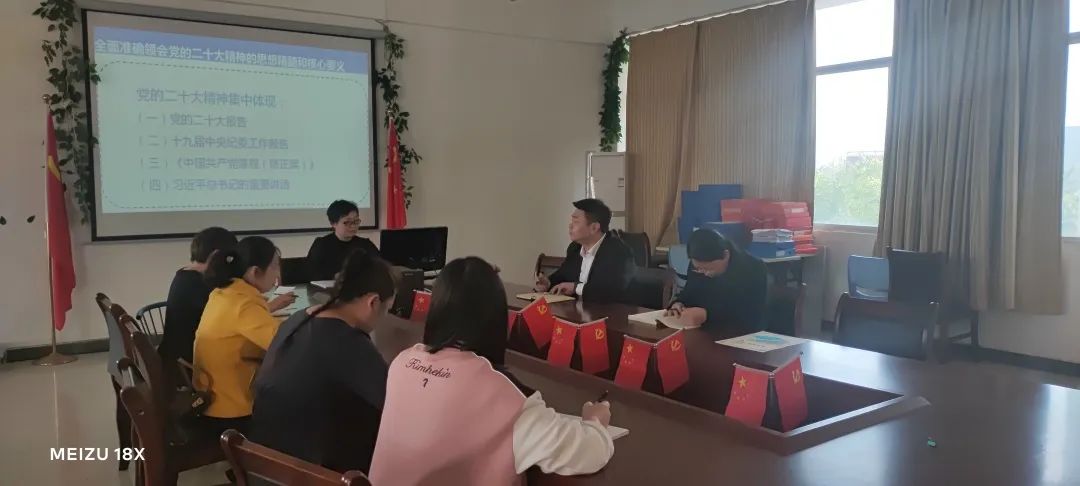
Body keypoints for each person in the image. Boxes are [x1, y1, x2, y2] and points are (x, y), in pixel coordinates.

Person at [370, 257, 615, 486]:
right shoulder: (503, 396)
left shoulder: (403, 362)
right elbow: (588, 453)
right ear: (496, 317)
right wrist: (595, 421)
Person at [249, 251, 396, 474]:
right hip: (311, 472)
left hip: (264, 460)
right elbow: (392, 404)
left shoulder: (298, 318)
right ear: (373, 302)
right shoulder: (348, 341)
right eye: (386, 309)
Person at [193, 236, 295, 435]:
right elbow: (285, 344)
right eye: (275, 266)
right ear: (255, 272)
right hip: (231, 410)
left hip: (213, 397)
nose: (278, 273)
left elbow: (252, 323)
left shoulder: (225, 292)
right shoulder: (244, 304)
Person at [159, 227, 238, 366]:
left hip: (178, 356)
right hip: (187, 364)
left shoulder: (186, 275)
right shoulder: (197, 283)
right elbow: (235, 315)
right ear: (216, 256)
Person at [665, 229, 767, 335]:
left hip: (741, 335)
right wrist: (678, 304)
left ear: (726, 255)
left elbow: (751, 314)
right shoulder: (698, 265)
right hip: (703, 332)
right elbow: (690, 293)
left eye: (710, 269)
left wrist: (707, 314)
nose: (705, 273)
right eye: (699, 269)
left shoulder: (753, 268)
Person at [534, 198, 635, 303]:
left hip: (610, 311)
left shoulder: (619, 251)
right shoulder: (575, 248)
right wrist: (548, 283)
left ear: (594, 228)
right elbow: (563, 275)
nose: (570, 226)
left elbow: (611, 289)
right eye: (571, 221)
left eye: (576, 222)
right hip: (578, 310)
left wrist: (576, 287)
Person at [307, 200, 380, 281]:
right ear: (333, 223)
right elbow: (310, 273)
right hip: (330, 287)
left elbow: (381, 267)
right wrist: (334, 276)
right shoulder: (321, 244)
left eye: (356, 221)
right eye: (347, 222)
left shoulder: (365, 244)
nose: (353, 226)